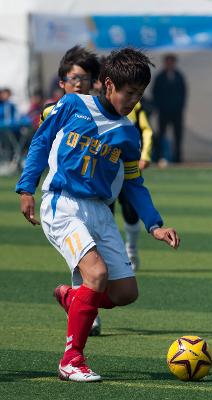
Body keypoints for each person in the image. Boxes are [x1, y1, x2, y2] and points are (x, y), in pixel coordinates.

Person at [16, 47, 180, 382]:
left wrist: (155, 225)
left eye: (139, 94)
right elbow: (41, 142)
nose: (134, 100)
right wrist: (26, 189)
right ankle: (71, 360)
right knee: (97, 274)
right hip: (63, 204)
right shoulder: (74, 105)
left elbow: (134, 183)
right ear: (107, 85)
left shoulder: (128, 134)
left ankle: (72, 297)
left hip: (100, 212)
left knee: (125, 293)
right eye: (128, 92)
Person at [39, 45, 102, 336]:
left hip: (98, 194)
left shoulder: (103, 113)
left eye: (85, 77)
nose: (79, 83)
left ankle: (76, 300)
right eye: (73, 78)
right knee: (84, 256)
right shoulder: (53, 111)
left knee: (99, 258)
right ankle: (87, 312)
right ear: (62, 82)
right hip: (66, 196)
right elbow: (41, 148)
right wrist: (28, 187)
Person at [93, 61, 154, 271]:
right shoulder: (85, 106)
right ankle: (103, 256)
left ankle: (131, 249)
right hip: (104, 175)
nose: (133, 99)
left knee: (130, 209)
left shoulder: (135, 107)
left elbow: (146, 130)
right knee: (104, 213)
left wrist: (144, 155)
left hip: (127, 166)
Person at [152, 53, 187, 164]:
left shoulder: (179, 76)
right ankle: (158, 157)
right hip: (163, 112)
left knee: (178, 135)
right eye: (168, 62)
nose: (170, 64)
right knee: (161, 134)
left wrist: (180, 107)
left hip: (176, 112)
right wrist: (159, 107)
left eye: (171, 62)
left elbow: (183, 93)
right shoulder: (160, 77)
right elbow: (155, 93)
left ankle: (177, 158)